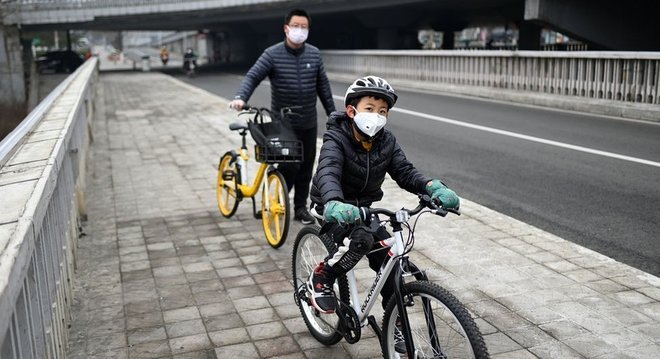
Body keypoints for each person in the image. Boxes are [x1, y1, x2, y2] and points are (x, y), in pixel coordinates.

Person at [307, 75, 460, 314]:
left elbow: (405, 171)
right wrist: (333, 202)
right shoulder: (336, 139)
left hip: (364, 209)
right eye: (369, 108)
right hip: (331, 205)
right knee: (361, 241)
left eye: (383, 111)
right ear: (351, 111)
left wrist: (431, 186)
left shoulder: (386, 140)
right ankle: (323, 277)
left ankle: (395, 324)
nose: (376, 115)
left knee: (392, 266)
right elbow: (328, 172)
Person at [229, 9, 336, 225]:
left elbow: (323, 87)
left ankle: (299, 208)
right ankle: (275, 199)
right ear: (286, 28)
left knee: (306, 166)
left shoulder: (314, 54)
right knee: (290, 165)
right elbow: (253, 76)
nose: (299, 30)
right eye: (295, 26)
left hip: (308, 120)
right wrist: (241, 97)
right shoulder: (272, 54)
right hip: (283, 123)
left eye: (303, 27)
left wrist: (333, 114)